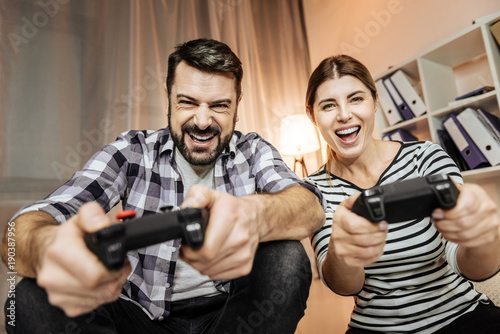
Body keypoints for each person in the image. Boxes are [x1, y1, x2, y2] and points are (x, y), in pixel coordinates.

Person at [1, 38, 326, 334]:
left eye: (219, 105)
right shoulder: (132, 151)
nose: (202, 121)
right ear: (169, 98)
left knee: (287, 255)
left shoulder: (253, 150)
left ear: (237, 105)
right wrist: (47, 248)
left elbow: (309, 205)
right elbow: (20, 232)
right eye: (187, 102)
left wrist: (254, 214)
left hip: (230, 317)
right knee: (28, 297)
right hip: (142, 320)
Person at [303, 54, 500, 334]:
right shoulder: (315, 191)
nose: (344, 114)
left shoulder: (425, 157)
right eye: (328, 105)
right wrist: (343, 251)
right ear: (312, 114)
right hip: (375, 328)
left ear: (375, 101)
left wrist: (483, 237)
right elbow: (345, 286)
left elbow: (471, 265)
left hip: (461, 316)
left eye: (356, 99)